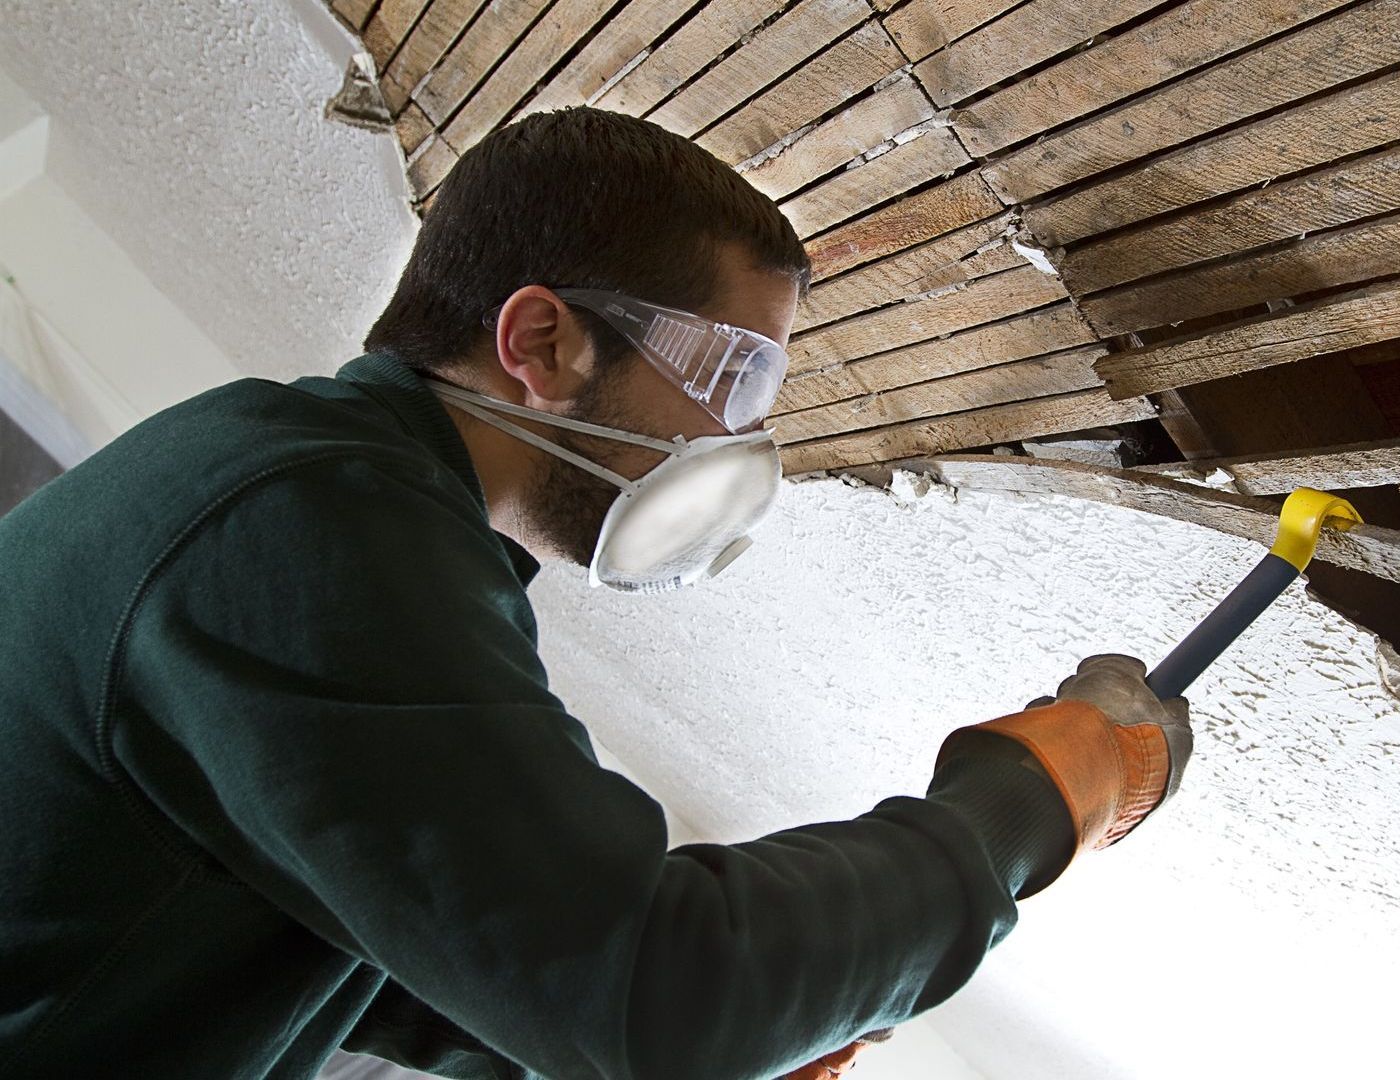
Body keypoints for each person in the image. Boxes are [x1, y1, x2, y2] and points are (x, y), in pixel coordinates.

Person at [0, 108, 1191, 1080]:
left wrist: (748, 1028)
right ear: (545, 340)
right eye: (732, 375)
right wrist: (1031, 796)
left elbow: (405, 950)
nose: (742, 437)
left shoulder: (320, 500)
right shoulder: (301, 522)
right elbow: (656, 990)